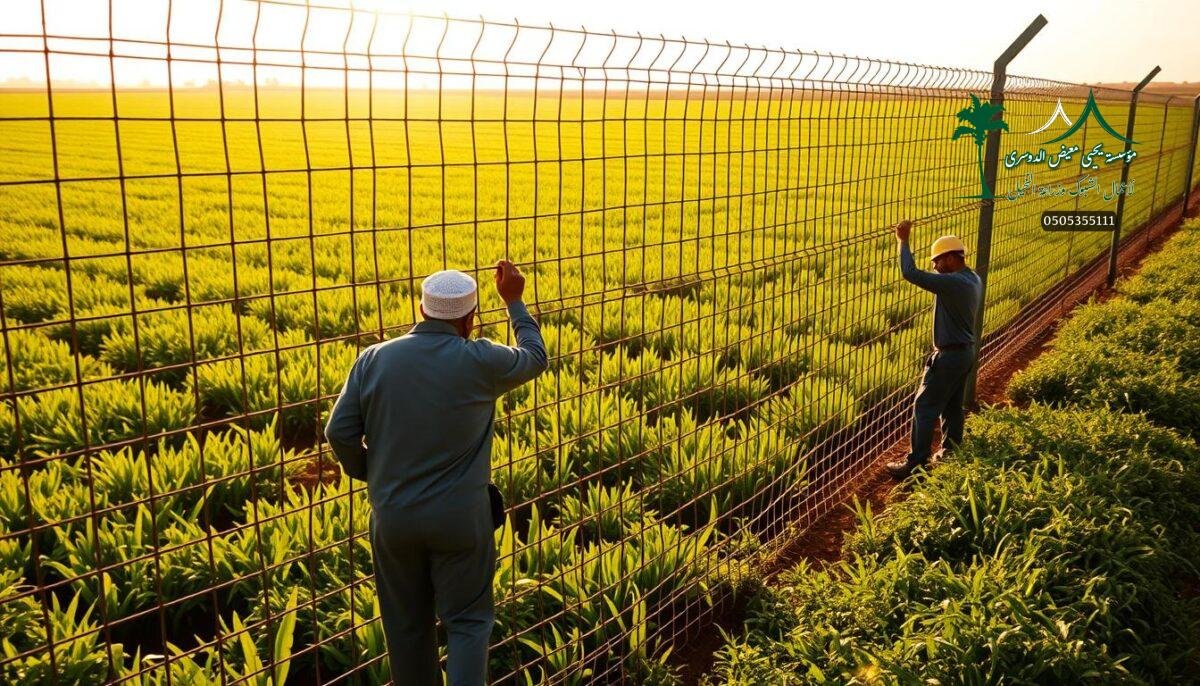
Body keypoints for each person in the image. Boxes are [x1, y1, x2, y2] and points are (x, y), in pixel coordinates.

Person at [324, 259, 548, 685]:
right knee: (467, 622)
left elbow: (339, 431)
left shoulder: (373, 359)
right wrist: (515, 301)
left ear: (422, 310)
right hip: (461, 520)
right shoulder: (480, 359)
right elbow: (535, 357)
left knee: (407, 629)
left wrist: (373, 474)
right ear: (469, 319)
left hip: (394, 517)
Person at [886, 220, 982, 479]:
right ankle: (951, 449)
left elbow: (910, 273)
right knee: (951, 405)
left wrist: (903, 240)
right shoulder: (972, 278)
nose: (936, 267)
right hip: (965, 353)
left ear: (951, 258)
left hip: (950, 355)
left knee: (924, 405)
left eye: (937, 261)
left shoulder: (953, 283)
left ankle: (916, 463)